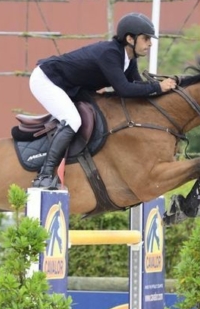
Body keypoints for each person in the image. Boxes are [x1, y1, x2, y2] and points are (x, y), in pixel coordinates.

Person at [29, 12, 178, 189]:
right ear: (130, 39)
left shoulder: (129, 60)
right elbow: (124, 89)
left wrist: (164, 92)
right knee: (73, 120)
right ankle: (44, 175)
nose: (150, 43)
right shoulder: (110, 54)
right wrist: (158, 87)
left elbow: (138, 89)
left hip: (72, 86)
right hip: (47, 80)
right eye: (146, 39)